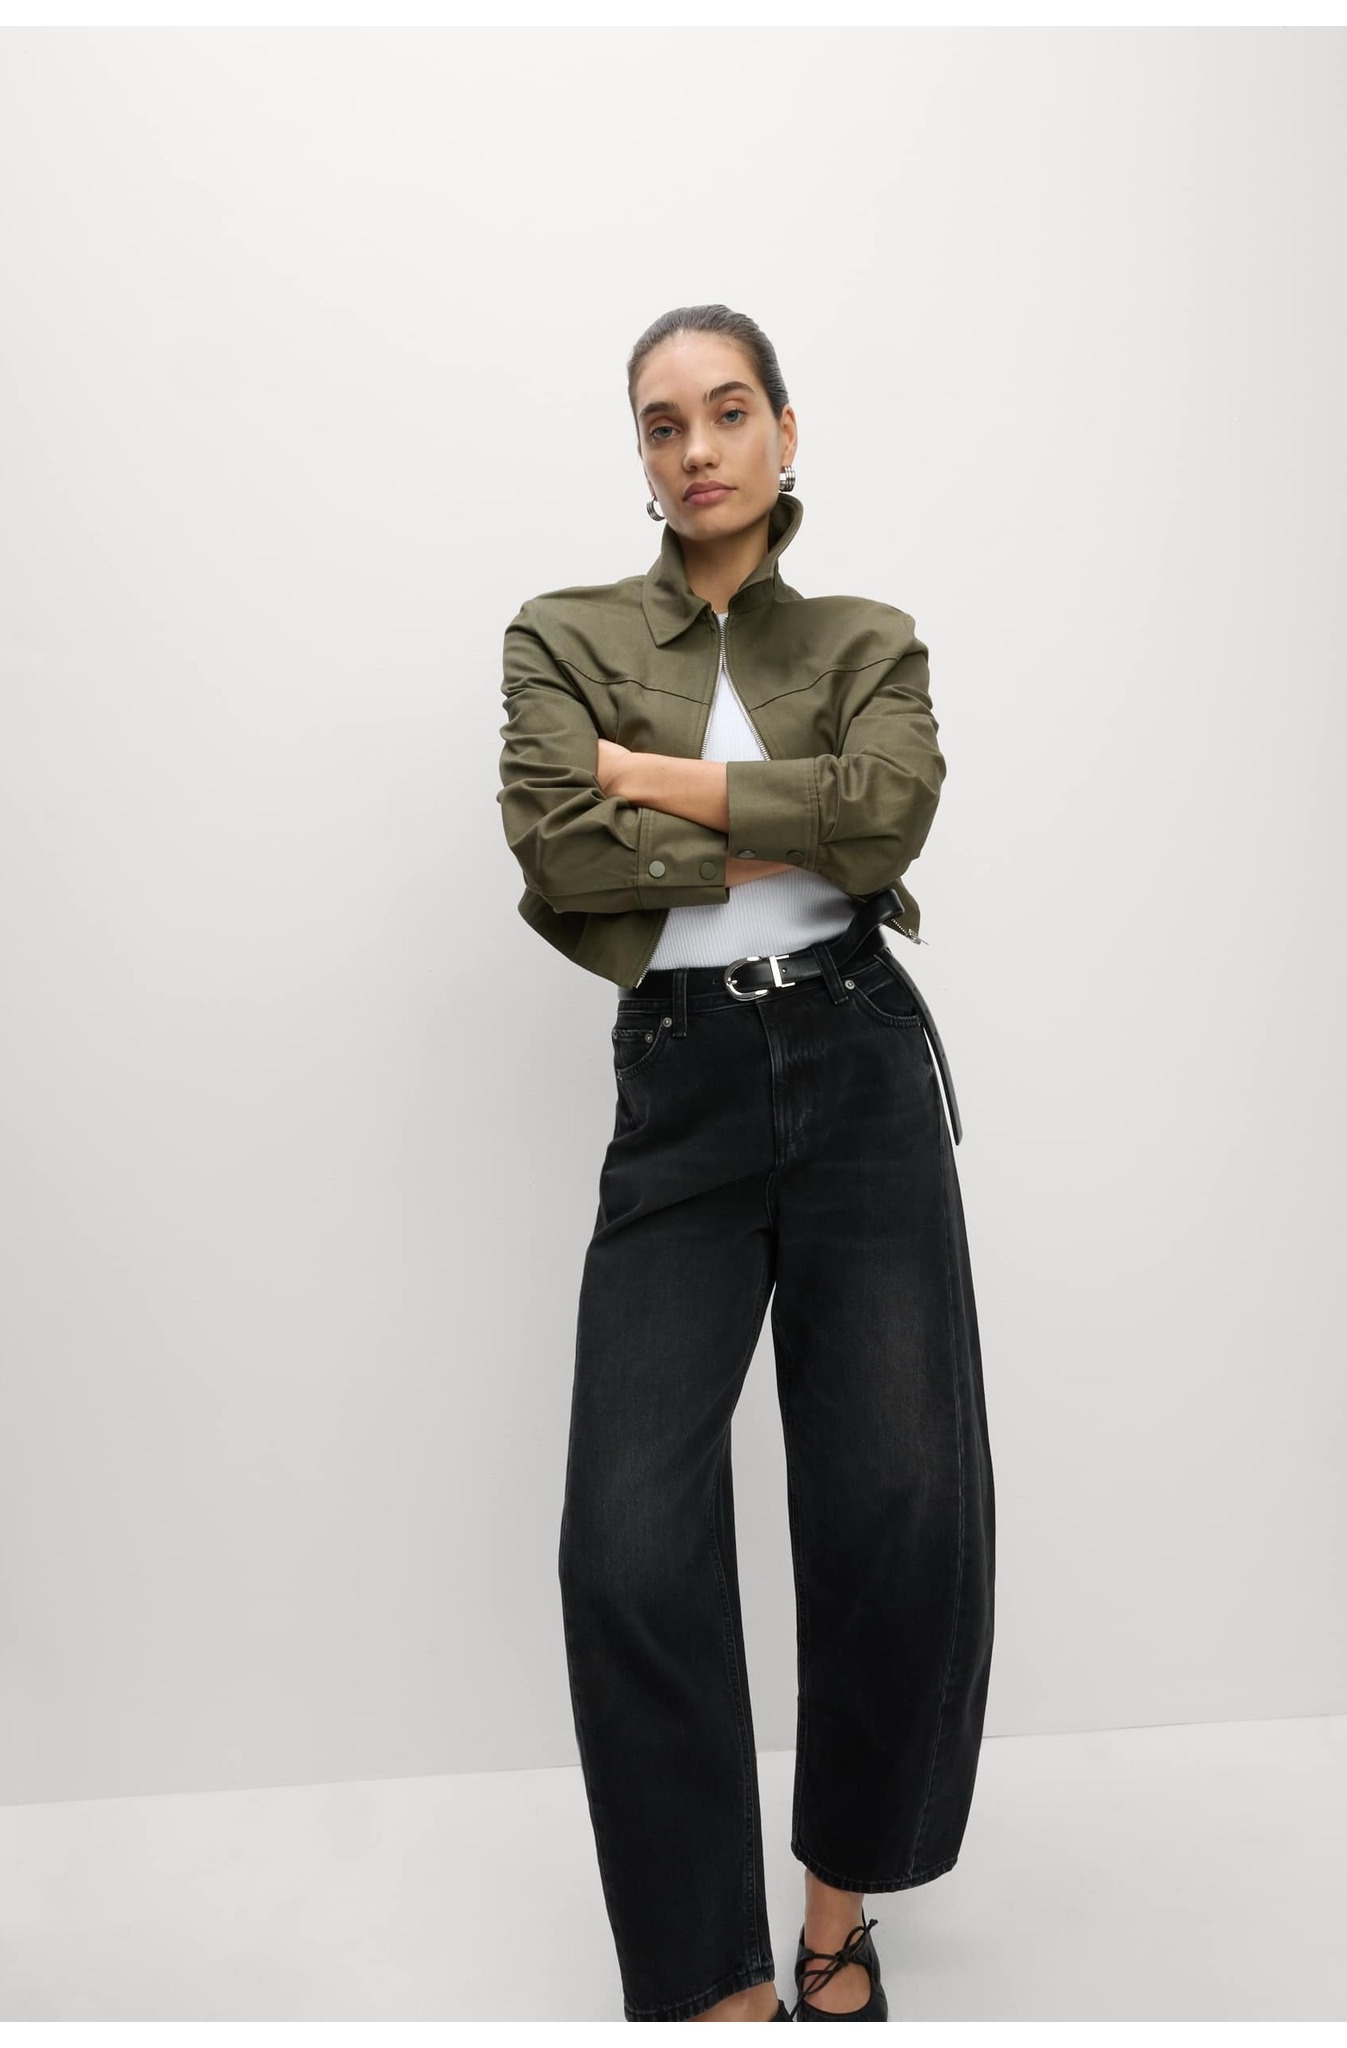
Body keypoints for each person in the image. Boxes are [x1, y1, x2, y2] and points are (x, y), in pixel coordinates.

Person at [496, 305, 996, 2023]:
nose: (696, 449)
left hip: (859, 1062)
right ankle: (714, 1979)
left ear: (786, 431)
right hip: (683, 1086)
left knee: (895, 1503)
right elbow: (562, 855)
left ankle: (836, 1916)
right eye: (662, 424)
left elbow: (890, 817)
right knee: (625, 1541)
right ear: (640, 458)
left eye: (726, 412)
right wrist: (783, 810)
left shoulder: (870, 636)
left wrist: (661, 782)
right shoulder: (558, 635)